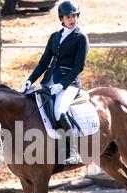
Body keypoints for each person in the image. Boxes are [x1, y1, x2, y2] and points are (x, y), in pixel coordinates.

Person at [20, 0, 90, 165]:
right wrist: (30, 80)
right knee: (29, 103)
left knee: (59, 111)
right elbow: (44, 62)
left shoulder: (81, 38)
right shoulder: (55, 36)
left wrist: (62, 85)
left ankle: (72, 151)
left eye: (74, 15)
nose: (72, 19)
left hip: (69, 83)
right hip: (48, 81)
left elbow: (78, 67)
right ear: (62, 18)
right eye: (68, 16)